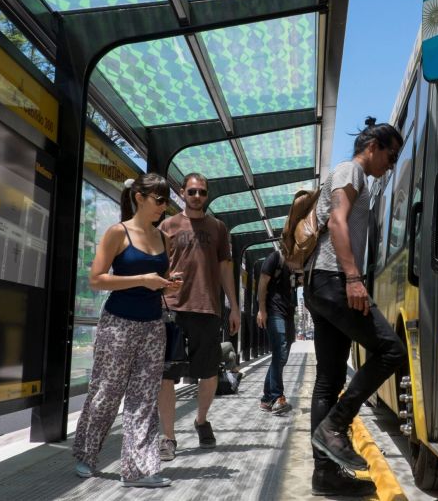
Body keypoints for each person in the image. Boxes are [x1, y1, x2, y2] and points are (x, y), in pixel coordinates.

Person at [304, 119, 406, 496]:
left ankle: (324, 476)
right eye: (391, 156)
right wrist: (352, 278)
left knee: (328, 381)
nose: (391, 165)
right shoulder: (351, 170)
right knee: (391, 349)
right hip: (333, 281)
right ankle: (335, 425)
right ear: (374, 146)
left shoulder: (352, 174)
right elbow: (336, 222)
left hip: (321, 284)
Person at [72, 174, 181, 488]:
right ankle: (85, 454)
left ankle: (139, 469)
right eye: (158, 200)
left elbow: (158, 275)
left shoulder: (163, 238)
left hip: (152, 326)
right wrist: (142, 279)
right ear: (139, 197)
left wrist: (169, 281)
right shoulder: (117, 233)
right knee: (106, 393)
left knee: (144, 398)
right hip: (118, 324)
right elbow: (96, 279)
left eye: (166, 201)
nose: (163, 207)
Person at [157, 173, 241, 460]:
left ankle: (201, 420)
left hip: (208, 308)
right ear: (182, 192)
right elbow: (157, 267)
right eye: (191, 191)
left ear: (207, 195)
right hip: (172, 308)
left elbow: (226, 268)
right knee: (166, 375)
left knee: (208, 373)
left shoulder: (218, 228)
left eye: (202, 193)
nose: (196, 196)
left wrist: (235, 306)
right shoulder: (167, 225)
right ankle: (168, 437)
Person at [256, 249, 296, 415]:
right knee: (279, 352)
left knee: (282, 356)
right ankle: (277, 396)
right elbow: (262, 283)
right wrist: (261, 310)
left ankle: (266, 399)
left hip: (288, 315)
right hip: (274, 312)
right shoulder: (275, 257)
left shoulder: (297, 263)